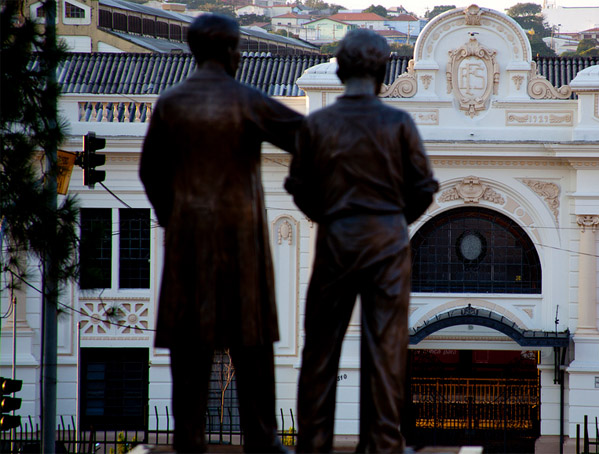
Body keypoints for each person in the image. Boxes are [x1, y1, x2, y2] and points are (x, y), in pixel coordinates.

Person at [139, 13, 301, 453]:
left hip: (188, 236)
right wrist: (299, 185)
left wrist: (172, 215)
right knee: (252, 341)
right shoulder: (245, 98)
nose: (242, 54)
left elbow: (149, 170)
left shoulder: (171, 102)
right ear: (230, 51)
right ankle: (262, 439)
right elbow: (307, 137)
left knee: (189, 344)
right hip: (239, 236)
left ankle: (189, 439)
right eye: (239, 47)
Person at [285, 29, 439, 453]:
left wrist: (330, 216)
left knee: (320, 348)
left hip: (336, 235)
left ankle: (313, 445)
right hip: (387, 239)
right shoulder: (398, 122)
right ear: (383, 70)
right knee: (385, 348)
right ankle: (382, 444)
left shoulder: (319, 123)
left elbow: (298, 186)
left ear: (341, 70)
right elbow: (424, 187)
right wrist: (393, 221)